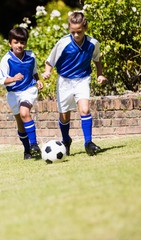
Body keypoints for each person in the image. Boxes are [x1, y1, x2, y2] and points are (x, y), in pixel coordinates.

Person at [42, 12, 107, 156]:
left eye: (79, 32)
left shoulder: (93, 43)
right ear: (69, 29)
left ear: (85, 28)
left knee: (85, 110)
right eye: (73, 32)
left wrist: (100, 74)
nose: (76, 35)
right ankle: (66, 140)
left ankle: (88, 143)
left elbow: (97, 60)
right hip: (64, 81)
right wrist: (47, 72)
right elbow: (49, 61)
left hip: (82, 80)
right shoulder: (63, 43)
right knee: (64, 116)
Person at [0, 27, 44, 160]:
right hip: (13, 94)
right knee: (19, 121)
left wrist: (38, 80)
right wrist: (13, 79)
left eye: (22, 42)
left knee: (25, 113)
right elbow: (2, 80)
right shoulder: (6, 60)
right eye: (16, 42)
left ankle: (34, 145)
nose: (20, 45)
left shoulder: (31, 56)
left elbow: (34, 71)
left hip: (28, 90)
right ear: (10, 43)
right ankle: (27, 150)